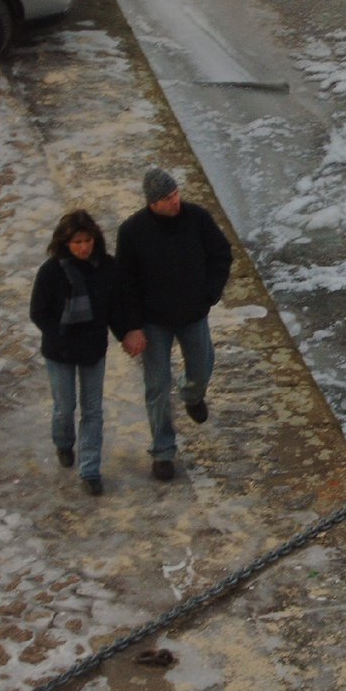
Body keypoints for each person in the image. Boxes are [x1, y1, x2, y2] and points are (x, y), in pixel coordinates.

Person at [116, 168, 232, 482]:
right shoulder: (132, 232)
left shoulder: (197, 218)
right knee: (156, 386)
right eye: (167, 198)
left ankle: (192, 395)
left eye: (176, 193)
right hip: (154, 322)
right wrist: (132, 327)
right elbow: (124, 284)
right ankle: (163, 451)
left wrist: (209, 293)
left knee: (202, 367)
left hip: (192, 314)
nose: (175, 201)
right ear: (152, 202)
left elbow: (221, 253)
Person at [29, 209, 123, 496]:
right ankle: (63, 442)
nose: (84, 247)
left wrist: (129, 333)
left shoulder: (107, 267)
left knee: (93, 410)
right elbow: (38, 312)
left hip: (93, 349)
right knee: (65, 406)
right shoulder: (51, 272)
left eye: (88, 241)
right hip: (60, 351)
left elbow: (117, 306)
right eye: (77, 242)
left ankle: (90, 469)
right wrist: (61, 334)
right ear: (65, 243)